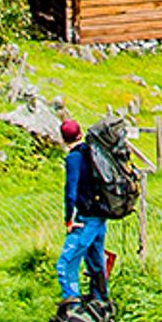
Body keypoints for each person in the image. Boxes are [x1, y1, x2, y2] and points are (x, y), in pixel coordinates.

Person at [56, 114, 124, 301]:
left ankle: (72, 306)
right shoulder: (94, 151)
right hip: (100, 214)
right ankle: (100, 300)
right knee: (95, 259)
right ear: (80, 134)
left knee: (66, 264)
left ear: (64, 139)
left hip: (86, 218)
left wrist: (69, 220)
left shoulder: (74, 158)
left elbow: (71, 192)